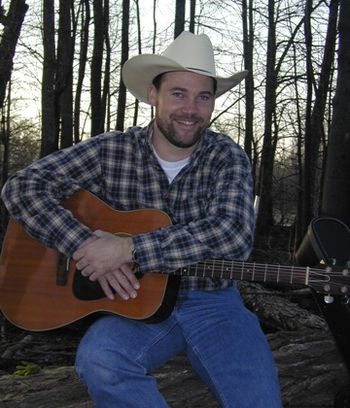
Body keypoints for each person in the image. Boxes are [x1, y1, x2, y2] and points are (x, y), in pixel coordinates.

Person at [1, 31, 282, 407]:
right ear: (154, 95)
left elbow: (232, 236)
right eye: (178, 93)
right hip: (135, 305)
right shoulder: (112, 150)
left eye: (204, 97)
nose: (191, 109)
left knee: (259, 401)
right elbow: (22, 187)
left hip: (214, 301)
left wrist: (129, 249)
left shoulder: (226, 156)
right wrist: (83, 244)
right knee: (100, 361)